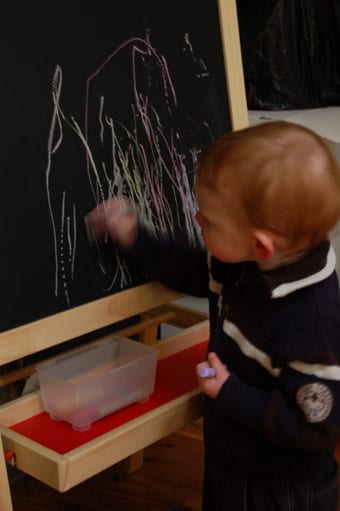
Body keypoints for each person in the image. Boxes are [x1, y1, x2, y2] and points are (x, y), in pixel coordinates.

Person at [87, 121, 340, 510]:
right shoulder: (245, 264)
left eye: (208, 220)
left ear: (260, 244)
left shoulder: (312, 322)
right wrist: (132, 236)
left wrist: (230, 393)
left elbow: (314, 426)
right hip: (233, 460)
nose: (197, 221)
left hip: (281, 487)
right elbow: (182, 266)